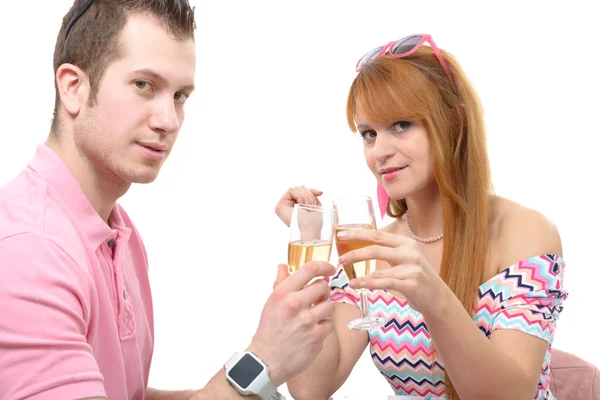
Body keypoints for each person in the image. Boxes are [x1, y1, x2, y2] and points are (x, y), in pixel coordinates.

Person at [0, 1, 335, 399]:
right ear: (74, 87)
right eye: (144, 85)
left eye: (180, 95)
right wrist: (261, 361)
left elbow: (125, 394)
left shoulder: (117, 231)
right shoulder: (29, 249)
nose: (169, 120)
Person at [275, 34, 568, 400]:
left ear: (453, 121)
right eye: (368, 133)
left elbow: (510, 395)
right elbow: (311, 388)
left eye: (400, 125)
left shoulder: (524, 233)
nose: (379, 151)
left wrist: (432, 297)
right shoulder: (375, 249)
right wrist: (308, 255)